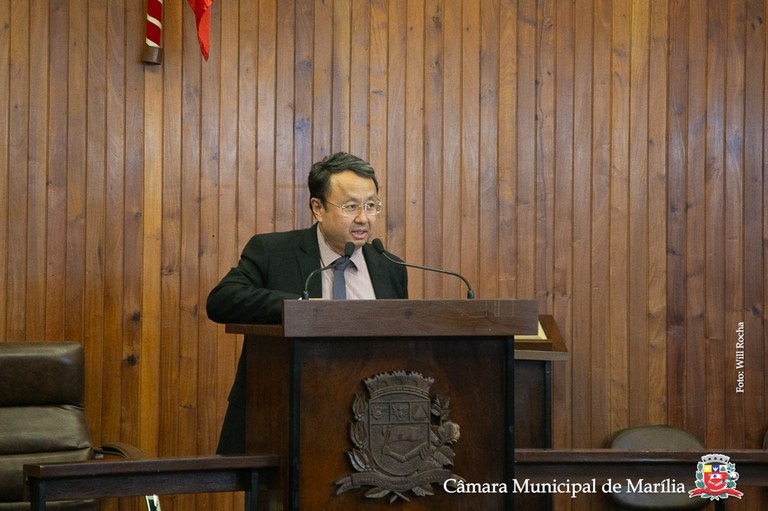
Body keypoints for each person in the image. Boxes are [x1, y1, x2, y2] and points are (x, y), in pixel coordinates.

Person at [206, 151, 409, 454]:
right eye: (351, 206)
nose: (363, 218)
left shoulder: (389, 267)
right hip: (279, 419)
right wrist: (304, 307)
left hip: (366, 425)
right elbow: (222, 300)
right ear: (318, 208)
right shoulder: (273, 252)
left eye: (371, 206)